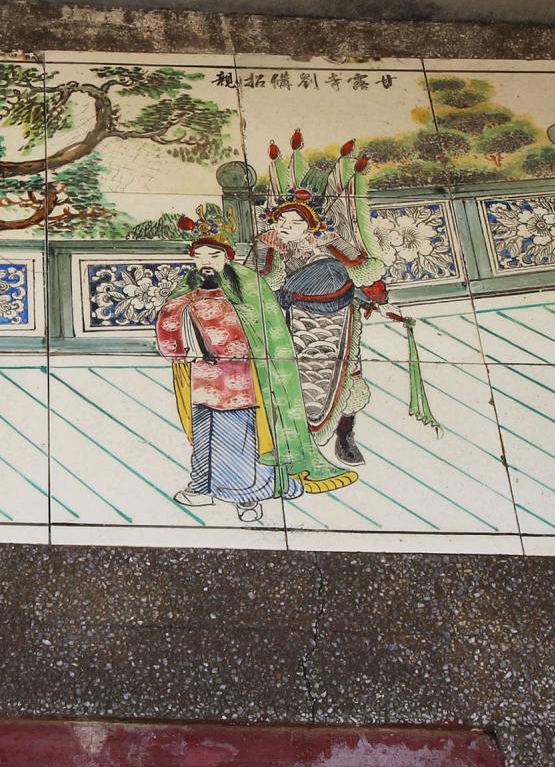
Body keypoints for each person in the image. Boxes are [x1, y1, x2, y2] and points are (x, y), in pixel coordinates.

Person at [154, 224, 356, 521]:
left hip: (243, 381)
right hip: (203, 380)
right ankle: (201, 489)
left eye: (214, 255)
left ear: (228, 256)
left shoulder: (249, 284)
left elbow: (267, 329)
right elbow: (169, 325)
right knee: (205, 436)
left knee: (242, 439)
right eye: (200, 255)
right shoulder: (187, 288)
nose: (206, 261)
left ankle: (248, 499)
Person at [256, 136, 389, 466]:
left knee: (344, 376)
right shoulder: (267, 242)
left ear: (310, 224)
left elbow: (365, 270)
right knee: (288, 379)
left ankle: (345, 433)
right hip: (288, 318)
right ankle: (291, 440)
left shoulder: (329, 241)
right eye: (281, 221)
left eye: (294, 223)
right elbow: (256, 278)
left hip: (336, 317)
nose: (286, 227)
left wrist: (378, 296)